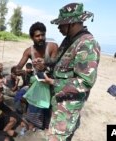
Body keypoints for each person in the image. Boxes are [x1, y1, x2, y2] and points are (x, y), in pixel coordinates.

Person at [41, 3, 101, 140]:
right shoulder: (69, 40)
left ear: (72, 23)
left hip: (68, 107)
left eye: (62, 24)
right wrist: (45, 63)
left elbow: (85, 82)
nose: (58, 27)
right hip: (59, 101)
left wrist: (54, 82)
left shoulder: (87, 44)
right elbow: (60, 61)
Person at [16, 22, 58, 130]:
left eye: (43, 35)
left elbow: (56, 63)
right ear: (32, 37)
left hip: (52, 82)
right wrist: (23, 72)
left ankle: (47, 126)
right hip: (39, 83)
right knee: (35, 106)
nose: (41, 38)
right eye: (37, 36)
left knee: (51, 107)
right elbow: (18, 67)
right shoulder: (29, 51)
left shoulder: (52, 47)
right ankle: (34, 124)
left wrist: (45, 63)